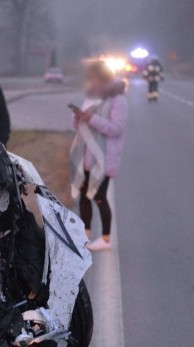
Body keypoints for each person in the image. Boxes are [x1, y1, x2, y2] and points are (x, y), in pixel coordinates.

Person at [69, 59, 128, 252]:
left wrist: (91, 119)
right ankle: (85, 235)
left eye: (93, 79)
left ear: (102, 78)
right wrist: (78, 118)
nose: (91, 83)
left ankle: (106, 238)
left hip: (104, 158)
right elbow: (79, 126)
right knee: (84, 196)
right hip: (86, 155)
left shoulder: (118, 100)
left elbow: (116, 129)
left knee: (99, 196)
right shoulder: (91, 96)